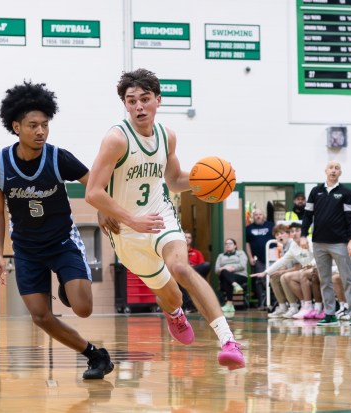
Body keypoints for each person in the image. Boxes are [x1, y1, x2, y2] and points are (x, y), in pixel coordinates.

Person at [85, 68, 244, 370]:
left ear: (158, 100)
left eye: (145, 99)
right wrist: (128, 219)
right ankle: (174, 314)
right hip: (128, 232)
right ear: (125, 105)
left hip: (161, 217)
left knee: (181, 268)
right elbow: (93, 191)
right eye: (131, 101)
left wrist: (204, 182)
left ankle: (228, 342)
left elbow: (172, 180)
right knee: (170, 295)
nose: (138, 107)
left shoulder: (167, 136)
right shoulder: (116, 139)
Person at [0, 81, 115, 380]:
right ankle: (94, 355)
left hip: (61, 242)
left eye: (45, 125)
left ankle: (66, 284)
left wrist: (102, 206)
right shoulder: (0, 163)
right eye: (33, 125)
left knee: (83, 308)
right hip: (27, 249)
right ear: (16, 126)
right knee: (40, 316)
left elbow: (98, 185)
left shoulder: (59, 158)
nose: (41, 131)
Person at [300, 160, 351, 326]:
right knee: (324, 280)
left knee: (347, 278)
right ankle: (330, 314)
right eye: (331, 168)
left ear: (340, 172)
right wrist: (303, 235)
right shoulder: (316, 191)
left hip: (340, 243)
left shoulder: (347, 192)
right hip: (318, 243)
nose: (333, 171)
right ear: (325, 170)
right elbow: (307, 215)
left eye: (337, 168)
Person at [251, 224, 300, 318]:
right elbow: (284, 264)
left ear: (288, 234)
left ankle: (294, 306)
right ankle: (283, 307)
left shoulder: (293, 245)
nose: (279, 236)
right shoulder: (283, 247)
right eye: (277, 235)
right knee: (274, 277)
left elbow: (297, 267)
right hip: (293, 271)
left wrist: (280, 272)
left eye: (281, 233)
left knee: (283, 277)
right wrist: (273, 271)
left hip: (300, 271)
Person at [245, 209, 275, 309]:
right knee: (259, 279)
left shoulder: (271, 225)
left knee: (272, 278)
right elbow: (247, 244)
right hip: (258, 259)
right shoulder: (248, 228)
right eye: (256, 215)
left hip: (272, 257)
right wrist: (250, 257)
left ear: (264, 216)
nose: (258, 216)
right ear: (253, 216)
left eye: (260, 214)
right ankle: (262, 303)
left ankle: (274, 302)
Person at [215, 238, 248, 313]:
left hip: (240, 275)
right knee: (224, 272)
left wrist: (231, 268)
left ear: (235, 245)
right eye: (226, 244)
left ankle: (229, 305)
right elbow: (217, 270)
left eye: (230, 243)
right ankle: (235, 285)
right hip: (225, 276)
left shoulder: (241, 253)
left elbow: (242, 265)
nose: (227, 245)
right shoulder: (220, 256)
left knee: (226, 277)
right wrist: (225, 268)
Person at [181, 231, 211, 312]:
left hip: (194, 273)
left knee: (207, 264)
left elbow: (202, 266)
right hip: (182, 274)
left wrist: (191, 267)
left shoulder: (197, 253)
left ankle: (190, 306)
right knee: (182, 277)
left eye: (189, 237)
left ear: (191, 240)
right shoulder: (177, 252)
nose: (187, 239)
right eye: (185, 237)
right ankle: (190, 306)